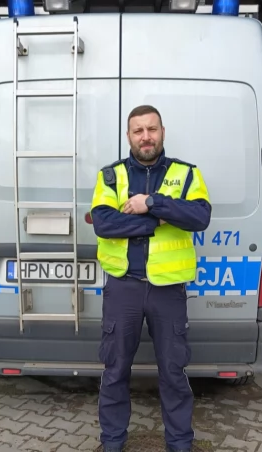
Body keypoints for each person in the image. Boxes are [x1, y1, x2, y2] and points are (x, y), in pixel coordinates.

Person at [90, 105, 212, 452]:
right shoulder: (110, 177)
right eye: (138, 130)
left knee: (173, 374)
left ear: (162, 132)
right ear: (128, 136)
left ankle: (179, 444)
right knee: (114, 372)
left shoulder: (187, 175)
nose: (146, 136)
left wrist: (152, 201)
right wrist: (155, 220)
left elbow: (200, 216)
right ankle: (112, 444)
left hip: (167, 291)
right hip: (123, 288)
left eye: (152, 129)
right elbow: (103, 224)